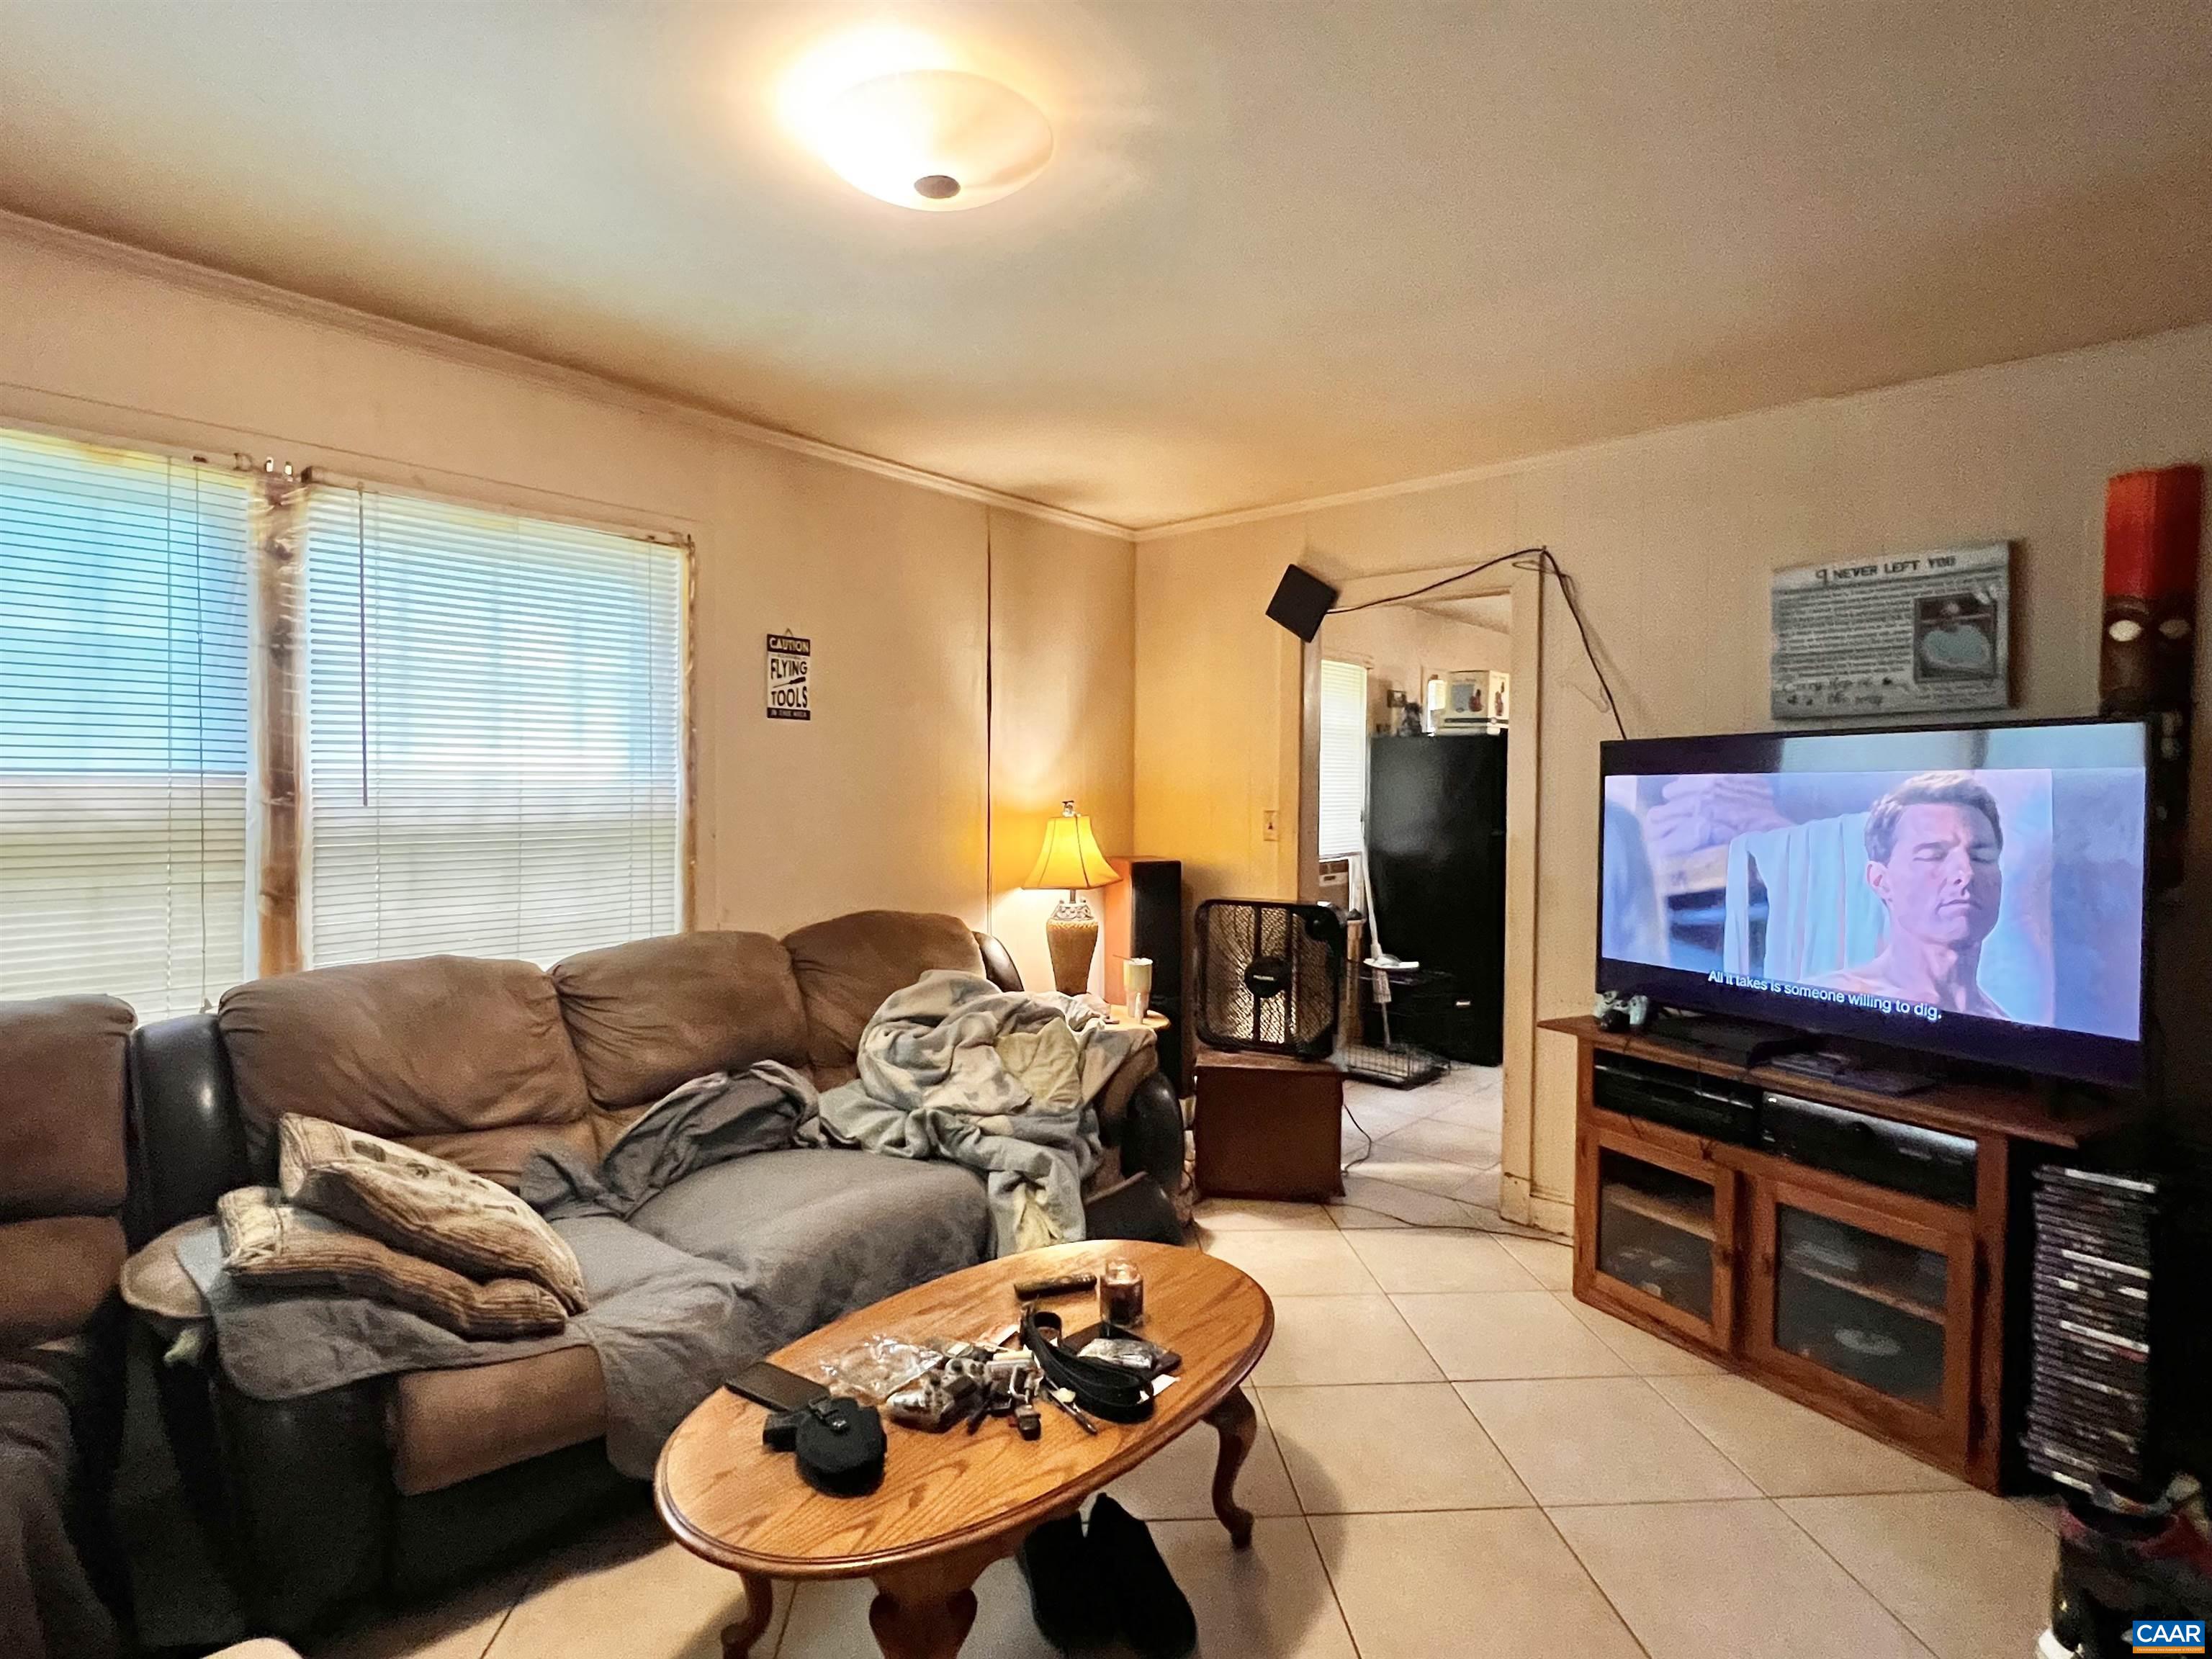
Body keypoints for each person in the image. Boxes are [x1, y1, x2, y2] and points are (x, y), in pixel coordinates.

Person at [1812, 773, 2009, 1017]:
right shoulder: (1829, 999)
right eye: (1933, 856)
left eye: (1982, 857)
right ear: (1881, 881)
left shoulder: (2006, 1027)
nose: (1966, 873)